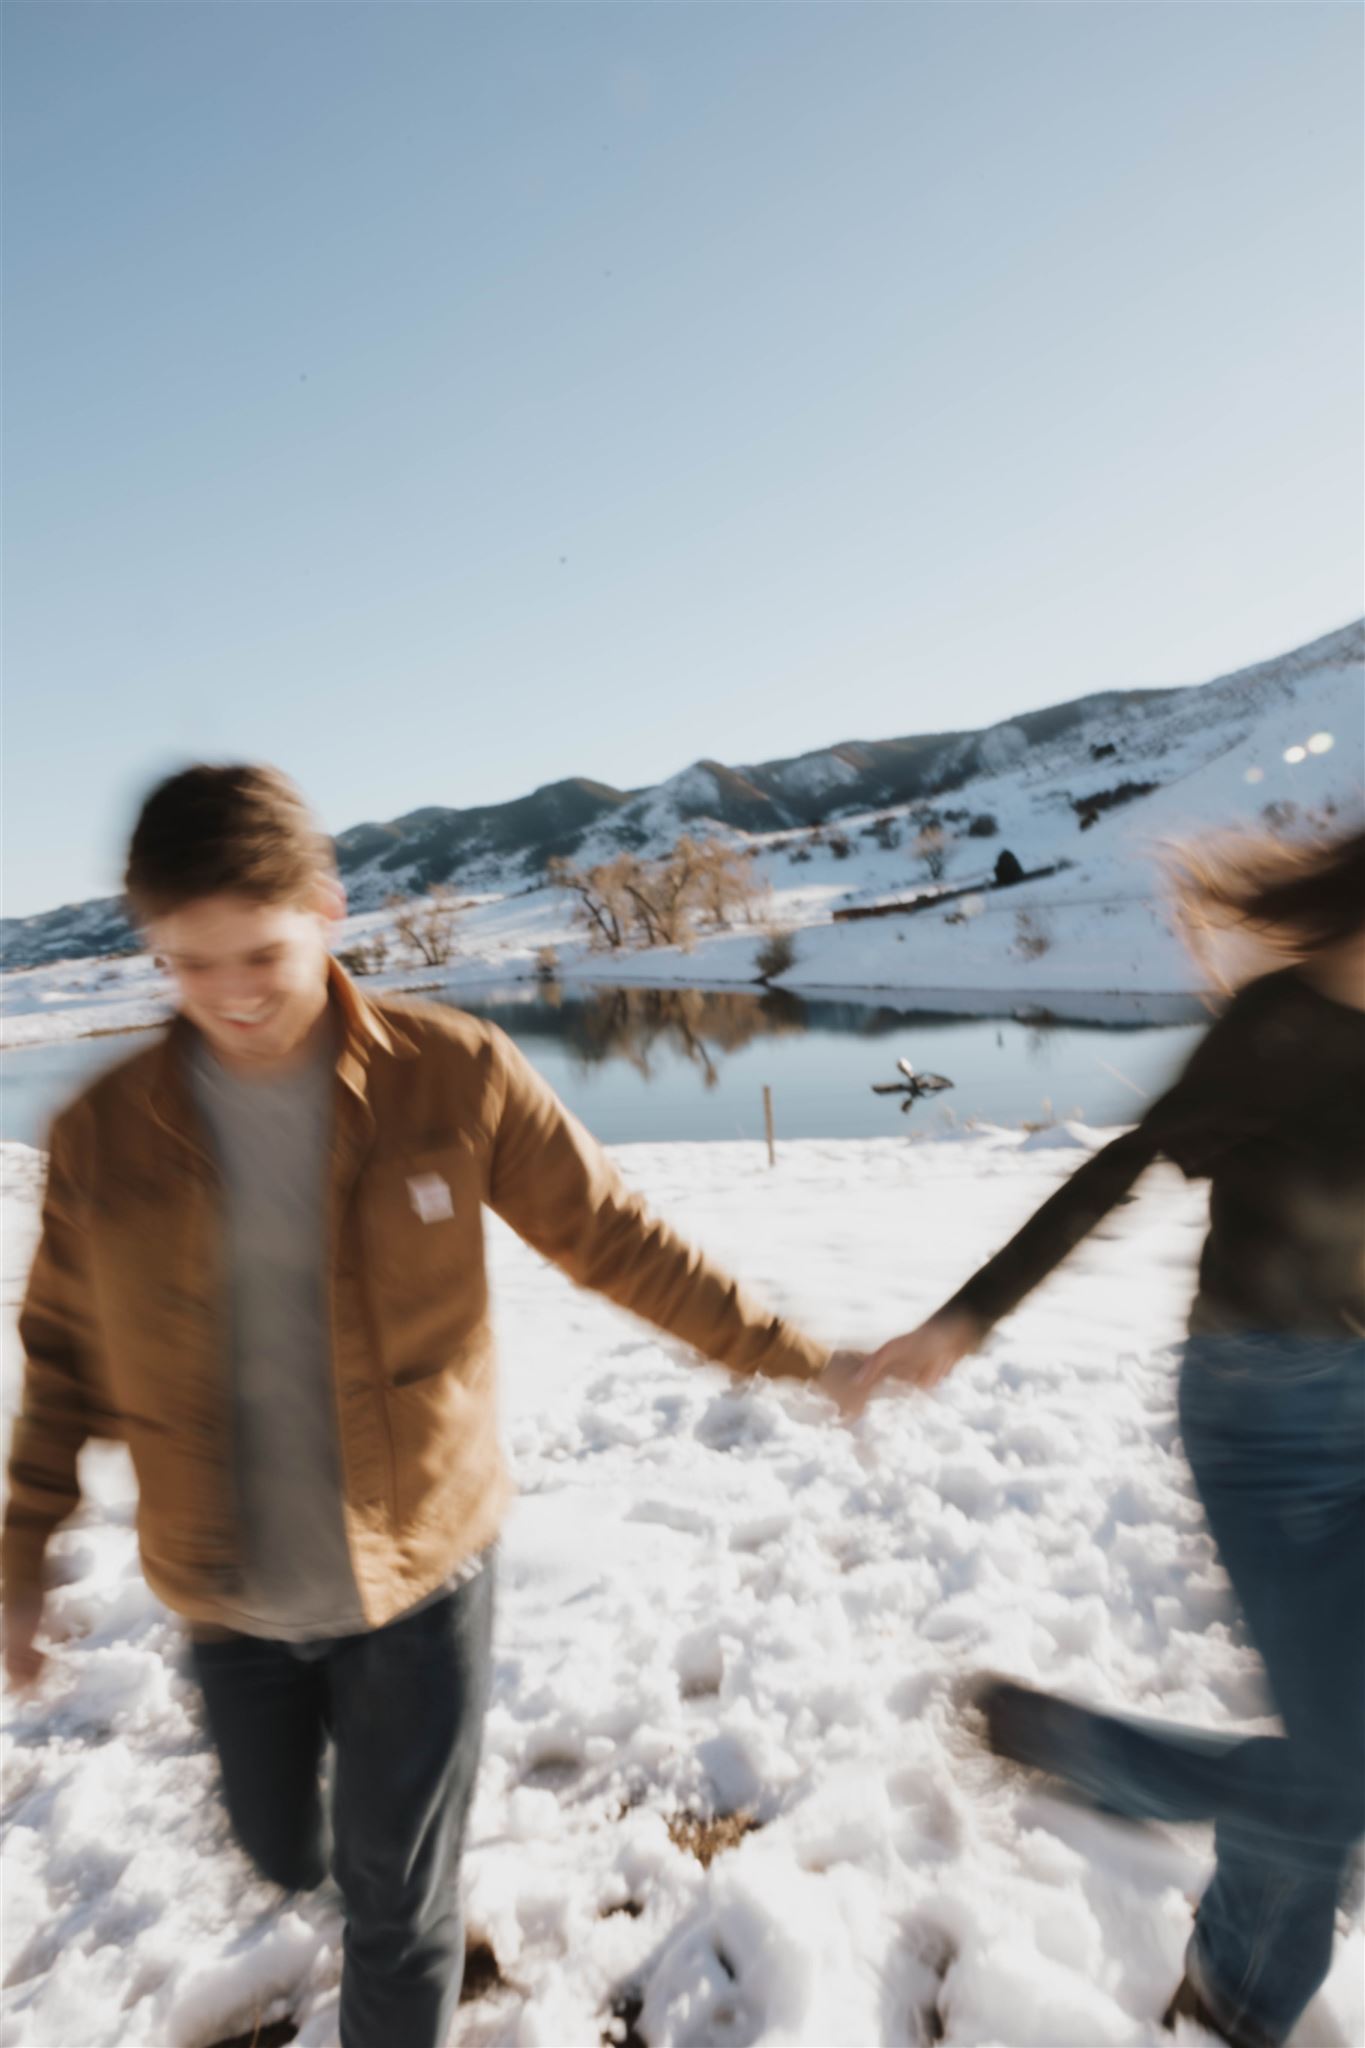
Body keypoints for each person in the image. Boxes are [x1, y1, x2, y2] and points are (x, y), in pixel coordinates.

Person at [1, 764, 866, 2048]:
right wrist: (21, 1557)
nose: (231, 992)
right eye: (188, 963)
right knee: (285, 1848)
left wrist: (801, 1356)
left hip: (420, 1575)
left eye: (261, 951)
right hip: (225, 1586)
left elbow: (614, 1238)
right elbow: (64, 1353)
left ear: (330, 908)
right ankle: (370, 1861)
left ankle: (409, 1932)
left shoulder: (452, 1073)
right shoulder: (100, 1135)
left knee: (395, 1905)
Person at [858, 823, 1365, 2048]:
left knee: (1336, 1762)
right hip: (1267, 1416)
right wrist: (971, 1312)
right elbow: (1122, 1167)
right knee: (1343, 1774)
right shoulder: (1275, 1030)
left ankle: (1230, 1989)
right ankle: (1103, 1782)